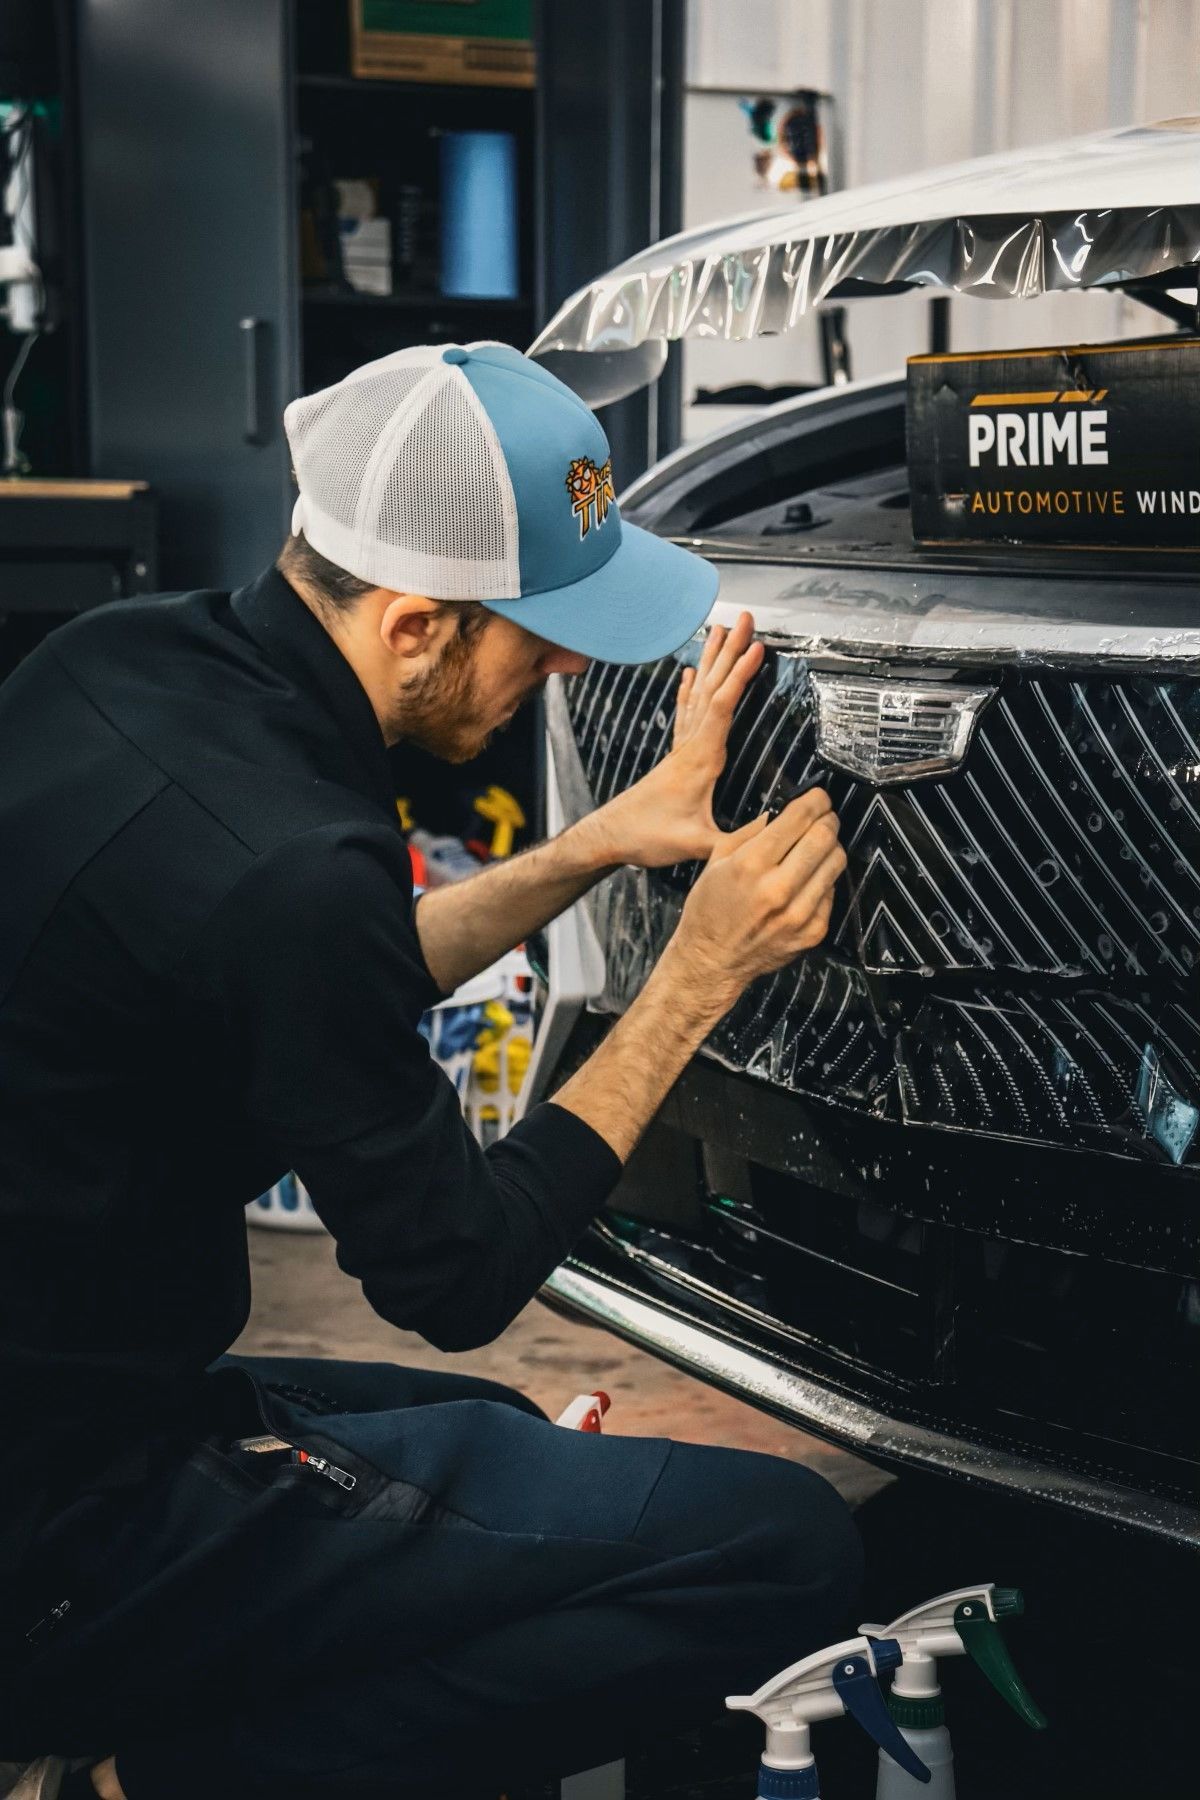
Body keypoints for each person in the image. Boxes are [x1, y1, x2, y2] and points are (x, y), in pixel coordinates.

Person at [0, 343, 857, 1800]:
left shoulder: (110, 665)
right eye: (539, 632)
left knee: (515, 1442)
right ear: (413, 627)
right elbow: (455, 1277)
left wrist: (593, 844)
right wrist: (695, 975)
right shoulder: (290, 865)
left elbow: (305, 978)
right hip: (64, 1533)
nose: (570, 666)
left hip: (56, 1406)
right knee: (785, 1549)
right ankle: (133, 1781)